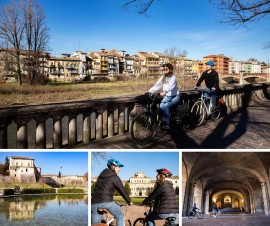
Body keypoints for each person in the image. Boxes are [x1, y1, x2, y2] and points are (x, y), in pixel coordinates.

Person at [91, 159, 133, 226]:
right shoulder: (114, 177)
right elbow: (122, 190)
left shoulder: (100, 177)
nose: (119, 169)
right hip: (106, 202)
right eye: (118, 167)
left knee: (95, 224)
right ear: (112, 166)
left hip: (93, 203)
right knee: (120, 216)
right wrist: (129, 201)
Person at [148, 63, 180, 130]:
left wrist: (164, 92)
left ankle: (166, 123)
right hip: (167, 96)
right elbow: (157, 84)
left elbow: (170, 87)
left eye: (166, 69)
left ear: (170, 70)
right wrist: (150, 91)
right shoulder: (163, 77)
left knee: (164, 106)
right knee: (160, 107)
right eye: (164, 69)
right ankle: (163, 120)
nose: (164, 70)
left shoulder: (173, 77)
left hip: (175, 97)